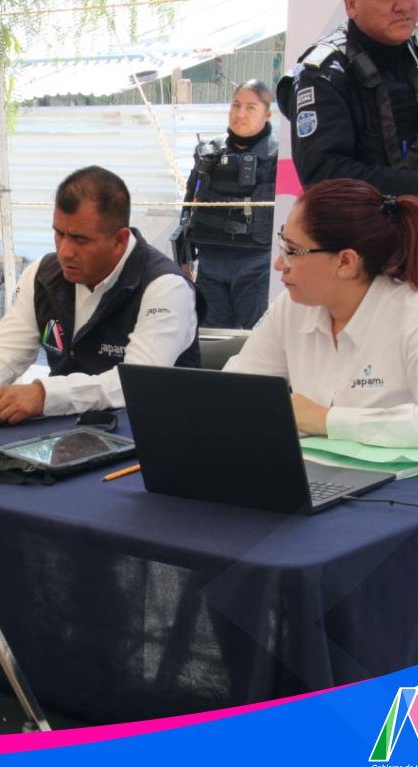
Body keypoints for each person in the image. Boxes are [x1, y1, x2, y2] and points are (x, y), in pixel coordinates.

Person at [0, 166, 201, 425]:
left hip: (147, 438)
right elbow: (7, 351)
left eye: (81, 240)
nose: (65, 251)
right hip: (65, 435)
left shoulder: (166, 288)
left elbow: (135, 383)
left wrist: (45, 395)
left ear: (120, 239)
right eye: (59, 234)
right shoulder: (43, 274)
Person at [224, 177, 418, 447]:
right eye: (282, 246)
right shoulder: (291, 307)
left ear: (346, 262)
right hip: (308, 468)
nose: (279, 264)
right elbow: (235, 391)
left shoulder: (409, 314)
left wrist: (325, 419)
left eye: (292, 251)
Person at [276, 0, 418, 194]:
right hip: (362, 213)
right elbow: (324, 177)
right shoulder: (324, 73)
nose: (404, 6)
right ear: (351, 5)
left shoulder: (412, 55)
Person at [178, 80, 277, 329]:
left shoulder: (280, 157)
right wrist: (183, 259)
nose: (240, 114)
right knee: (213, 340)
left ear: (267, 114)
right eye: (236, 105)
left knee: (259, 339)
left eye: (251, 107)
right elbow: (190, 203)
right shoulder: (208, 153)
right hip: (210, 264)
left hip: (257, 265)